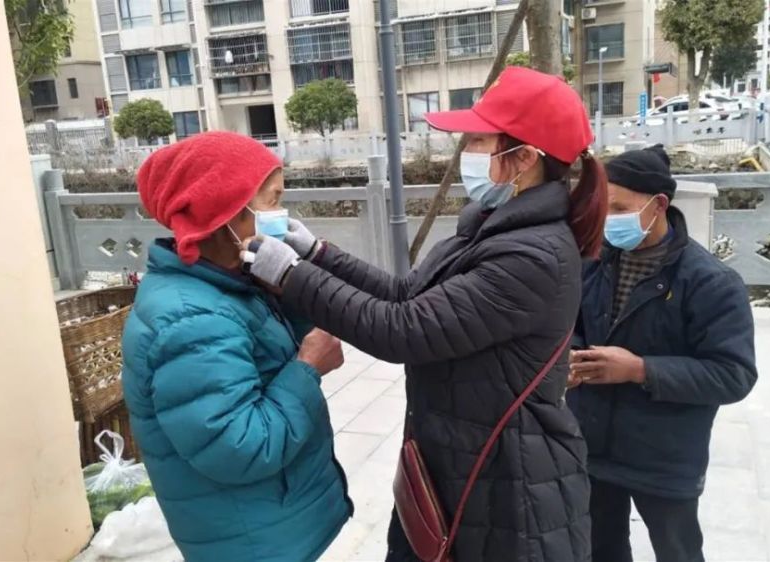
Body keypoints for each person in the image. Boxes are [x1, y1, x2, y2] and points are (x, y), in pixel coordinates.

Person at [241, 66, 608, 562]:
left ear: (523, 159)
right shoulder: (491, 228)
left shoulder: (531, 256)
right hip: (462, 458)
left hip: (510, 486)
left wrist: (292, 275)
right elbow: (406, 294)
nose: (465, 153)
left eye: (478, 141)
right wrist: (317, 253)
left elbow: (403, 331)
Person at [120, 132, 353, 562]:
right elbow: (240, 446)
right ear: (226, 211)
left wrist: (292, 289)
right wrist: (307, 368)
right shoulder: (192, 319)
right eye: (273, 200)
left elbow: (271, 351)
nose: (281, 215)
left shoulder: (228, 279)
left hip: (269, 522)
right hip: (251, 540)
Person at [566, 145, 757, 562]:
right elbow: (571, 326)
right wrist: (573, 357)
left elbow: (734, 374)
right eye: (603, 207)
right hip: (593, 446)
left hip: (665, 457)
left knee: (677, 550)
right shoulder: (593, 261)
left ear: (658, 206)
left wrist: (640, 370)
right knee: (598, 549)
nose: (607, 218)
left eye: (620, 208)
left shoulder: (711, 282)